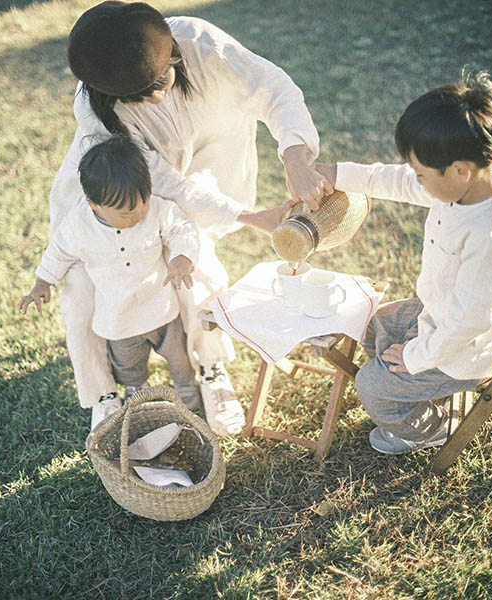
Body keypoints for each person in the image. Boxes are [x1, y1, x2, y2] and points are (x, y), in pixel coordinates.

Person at [48, 1, 332, 435]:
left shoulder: (200, 42)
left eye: (163, 80)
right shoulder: (96, 116)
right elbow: (166, 184)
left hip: (204, 159)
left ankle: (212, 368)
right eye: (141, 95)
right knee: (86, 284)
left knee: (196, 265)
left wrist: (294, 157)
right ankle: (104, 392)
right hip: (116, 185)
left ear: (174, 53)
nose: (159, 96)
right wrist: (252, 217)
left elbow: (272, 87)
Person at [315, 70, 492, 454]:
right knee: (372, 323)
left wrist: (417, 355)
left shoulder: (489, 236)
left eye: (422, 175)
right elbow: (397, 181)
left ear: (459, 170)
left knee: (370, 386)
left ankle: (433, 428)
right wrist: (337, 175)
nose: (415, 182)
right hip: (442, 312)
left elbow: (471, 321)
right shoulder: (466, 188)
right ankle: (416, 387)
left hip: (470, 349)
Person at [19, 136, 202, 429]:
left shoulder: (156, 209)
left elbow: (182, 228)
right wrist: (42, 283)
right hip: (119, 317)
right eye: (126, 213)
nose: (137, 215)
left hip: (162, 308)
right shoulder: (79, 224)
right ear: (94, 204)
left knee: (179, 358)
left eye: (141, 204)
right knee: (129, 368)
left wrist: (182, 256)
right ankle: (137, 399)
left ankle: (188, 392)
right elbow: (58, 251)